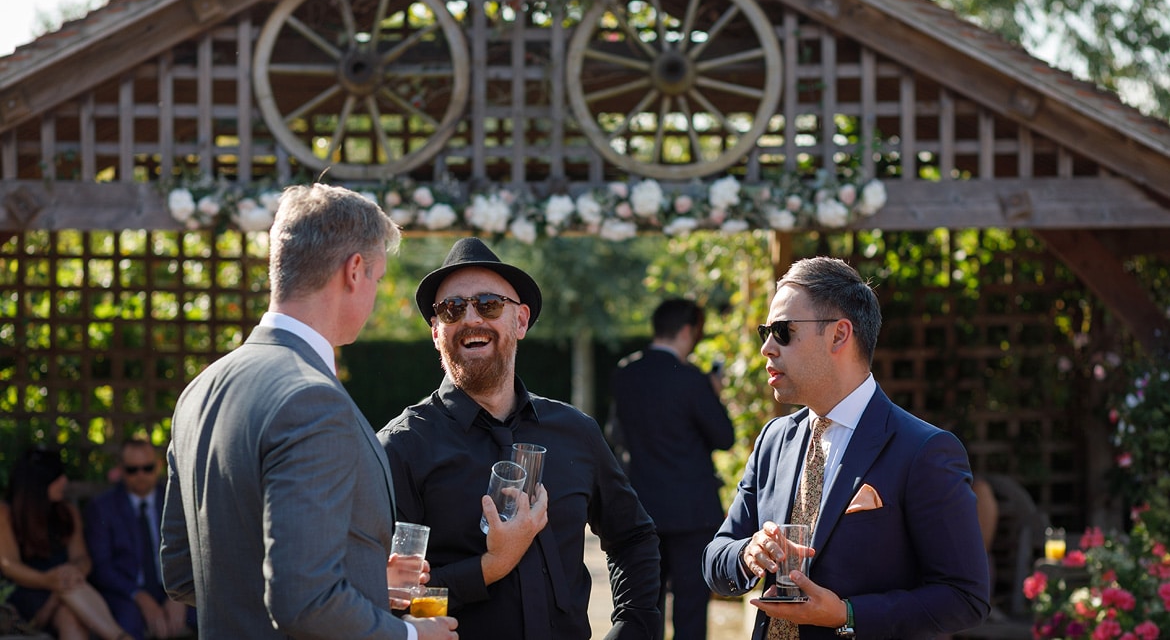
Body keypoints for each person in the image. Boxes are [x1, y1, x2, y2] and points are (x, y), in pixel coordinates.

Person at [160, 183, 458, 640]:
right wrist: (412, 637)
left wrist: (361, 582)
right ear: (354, 270)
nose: (374, 295)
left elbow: (184, 573)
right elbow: (303, 602)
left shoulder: (200, 391)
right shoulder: (311, 399)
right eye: (377, 279)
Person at [377, 237, 661, 640]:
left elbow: (633, 537)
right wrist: (490, 566)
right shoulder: (400, 449)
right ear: (437, 331)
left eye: (489, 304)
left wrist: (632, 627)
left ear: (521, 320)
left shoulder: (576, 432)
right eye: (452, 309)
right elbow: (386, 597)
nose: (471, 318)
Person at [702, 256, 990, 639]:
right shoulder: (774, 440)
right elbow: (715, 558)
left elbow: (965, 598)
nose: (767, 348)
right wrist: (746, 553)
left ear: (839, 335)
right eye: (764, 332)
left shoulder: (924, 450)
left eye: (783, 331)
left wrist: (847, 614)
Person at [609, 298, 735, 640]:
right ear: (688, 330)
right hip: (692, 510)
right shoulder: (691, 378)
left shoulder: (625, 372)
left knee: (644, 605)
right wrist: (715, 393)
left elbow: (616, 434)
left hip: (642, 506)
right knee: (691, 609)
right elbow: (724, 437)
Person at [0, 447, 133, 640]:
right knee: (68, 589)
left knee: (71, 618)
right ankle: (120, 637)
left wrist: (74, 572)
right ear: (37, 483)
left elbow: (82, 558)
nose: (65, 481)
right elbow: (9, 566)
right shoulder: (6, 514)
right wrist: (48, 580)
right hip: (26, 596)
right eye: (57, 477)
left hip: (67, 591)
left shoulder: (67, 513)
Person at [85, 436, 192, 639]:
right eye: (132, 470)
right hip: (127, 593)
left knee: (212, 616)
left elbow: (195, 552)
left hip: (175, 587)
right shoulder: (102, 508)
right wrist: (139, 596)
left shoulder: (177, 500)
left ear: (159, 465)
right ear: (121, 470)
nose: (141, 475)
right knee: (126, 622)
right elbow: (102, 567)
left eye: (148, 468)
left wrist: (180, 594)